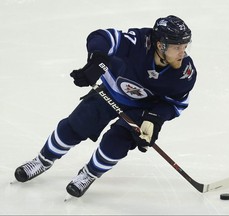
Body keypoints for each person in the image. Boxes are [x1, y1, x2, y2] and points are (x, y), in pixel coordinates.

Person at [14, 15, 197, 198]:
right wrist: (96, 60)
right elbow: (101, 37)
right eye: (177, 47)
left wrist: (154, 119)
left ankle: (89, 174)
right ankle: (42, 160)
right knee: (76, 125)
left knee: (117, 142)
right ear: (160, 45)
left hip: (142, 107)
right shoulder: (138, 42)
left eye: (185, 46)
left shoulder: (185, 74)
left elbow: (175, 104)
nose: (183, 52)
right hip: (112, 90)